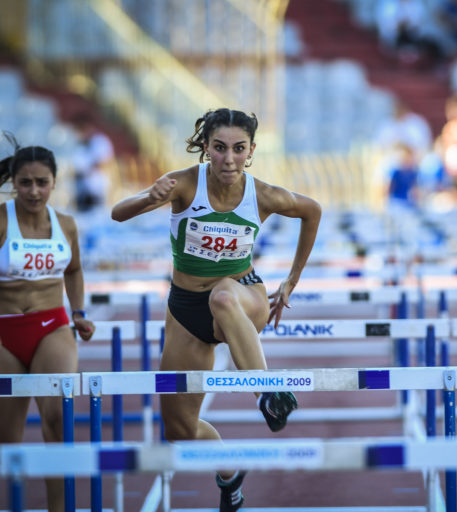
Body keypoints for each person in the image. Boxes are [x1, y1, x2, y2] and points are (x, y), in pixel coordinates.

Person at [111, 108, 321, 512]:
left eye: (238, 149)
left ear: (251, 151)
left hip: (243, 296)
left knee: (222, 296)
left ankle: (269, 393)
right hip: (186, 309)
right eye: (220, 148)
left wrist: (291, 280)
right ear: (206, 148)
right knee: (179, 429)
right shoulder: (185, 184)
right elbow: (118, 213)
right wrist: (148, 198)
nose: (228, 159)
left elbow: (312, 211)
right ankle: (230, 472)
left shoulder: (262, 195)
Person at [0, 135, 95, 512]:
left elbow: (74, 271)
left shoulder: (66, 225)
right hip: (2, 335)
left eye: (42, 183)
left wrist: (80, 313)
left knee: (57, 419)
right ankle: (16, 502)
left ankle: (59, 507)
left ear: (54, 183)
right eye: (25, 182)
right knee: (2, 442)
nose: (34, 191)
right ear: (13, 183)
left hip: (52, 328)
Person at [72, 113, 115, 213]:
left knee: (97, 213)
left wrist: (88, 169)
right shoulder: (78, 145)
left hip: (97, 186)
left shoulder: (100, 141)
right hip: (81, 188)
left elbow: (105, 161)